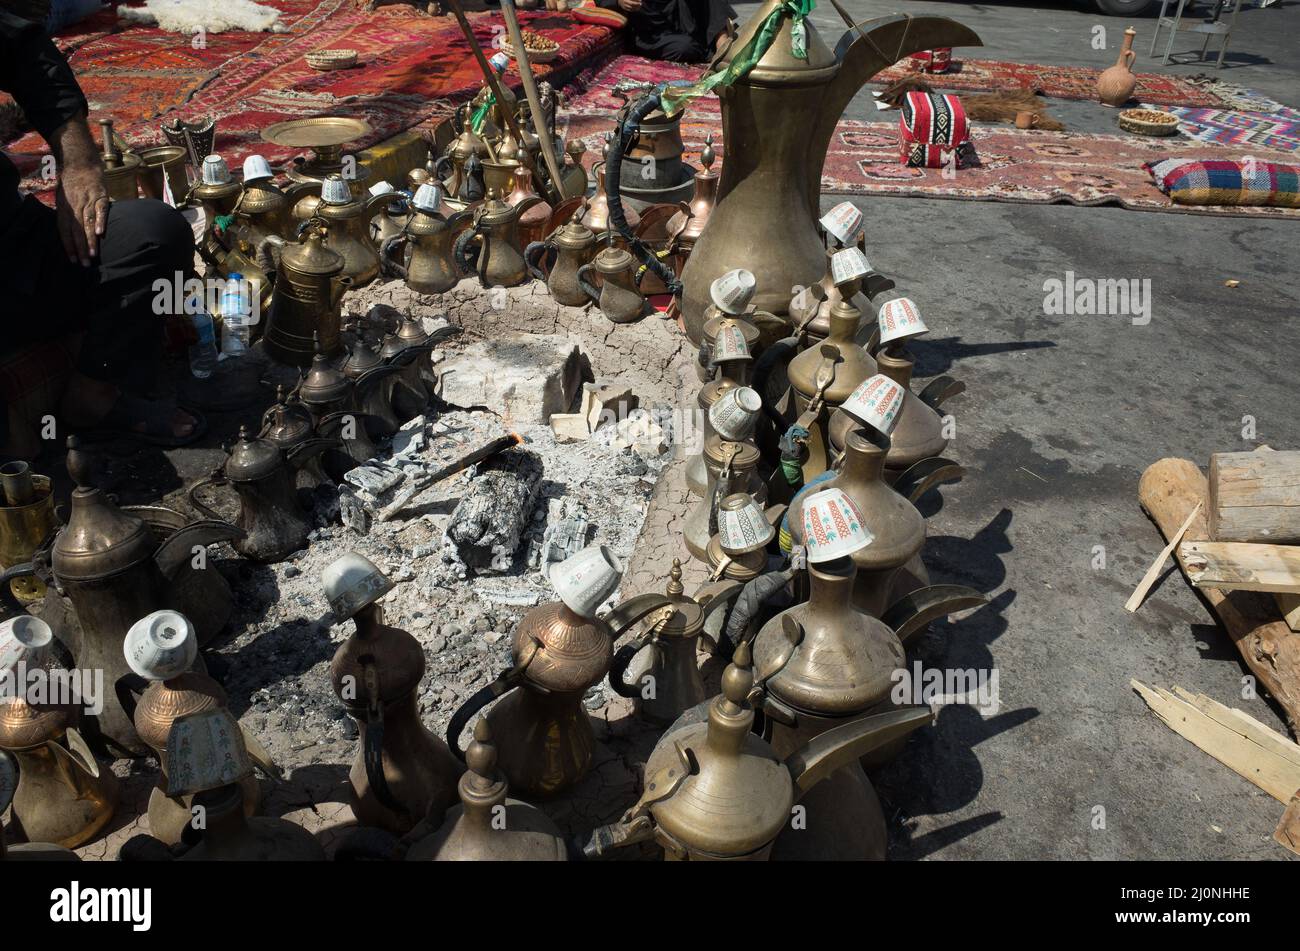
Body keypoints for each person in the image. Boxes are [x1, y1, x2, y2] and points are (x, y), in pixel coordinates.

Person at [0, 5, 201, 459]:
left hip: (12, 250)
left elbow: (27, 54)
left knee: (154, 230)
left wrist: (79, 161)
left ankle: (92, 395)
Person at [599, 0, 736, 64]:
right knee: (687, 48)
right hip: (650, 28)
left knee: (697, 43)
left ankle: (722, 44)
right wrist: (619, 1)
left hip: (682, 15)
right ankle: (709, 48)